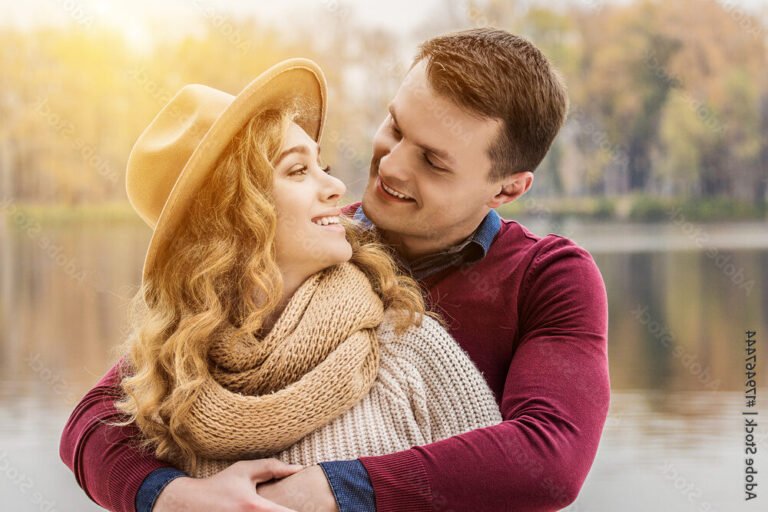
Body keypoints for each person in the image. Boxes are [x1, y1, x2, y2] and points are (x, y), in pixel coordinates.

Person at [61, 28, 610, 512]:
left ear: (508, 187)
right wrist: (175, 498)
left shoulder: (550, 277)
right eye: (394, 128)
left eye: (434, 160)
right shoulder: (310, 243)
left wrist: (329, 489)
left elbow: (550, 456)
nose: (390, 165)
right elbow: (97, 420)